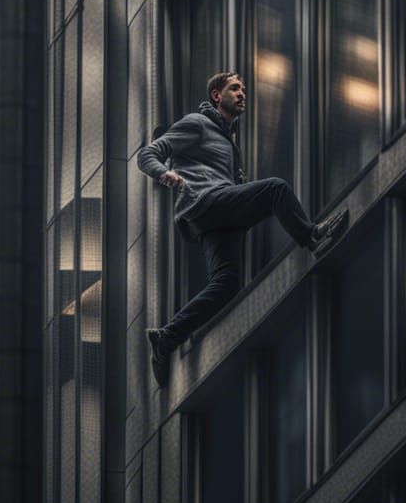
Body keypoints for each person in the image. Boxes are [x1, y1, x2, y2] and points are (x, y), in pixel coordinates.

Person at [137, 71, 349, 384]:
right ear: (215, 95)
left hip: (214, 217)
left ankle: (167, 336)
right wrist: (164, 174)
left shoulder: (228, 139)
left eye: (244, 90)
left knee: (227, 284)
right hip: (205, 202)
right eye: (234, 88)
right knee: (276, 189)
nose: (242, 94)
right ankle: (313, 237)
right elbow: (148, 153)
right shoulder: (197, 122)